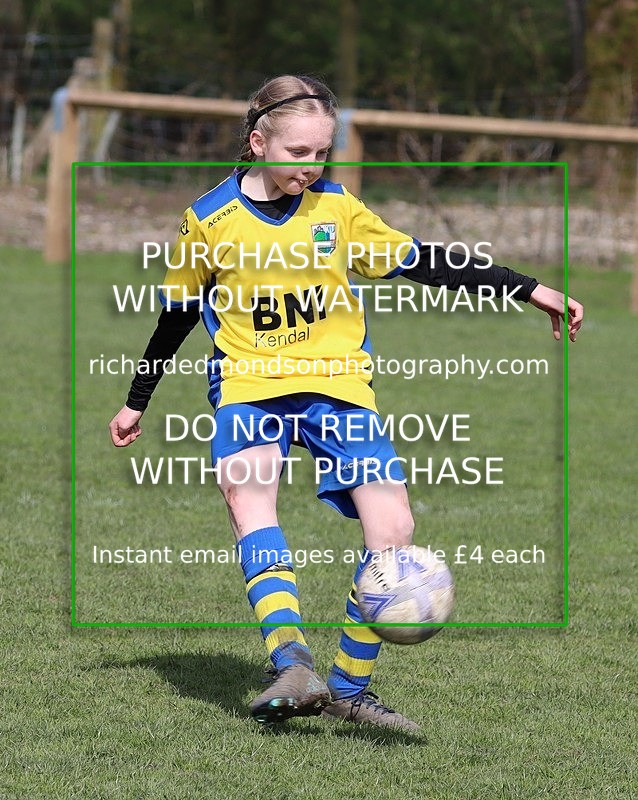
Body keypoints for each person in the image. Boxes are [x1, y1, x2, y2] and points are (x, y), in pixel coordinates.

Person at [109, 74, 584, 732]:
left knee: (394, 532)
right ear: (258, 141)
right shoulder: (209, 220)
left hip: (336, 385)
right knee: (249, 498)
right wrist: (138, 401)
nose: (312, 166)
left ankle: (349, 690)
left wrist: (527, 289)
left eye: (322, 153)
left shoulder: (337, 211)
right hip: (249, 383)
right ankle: (290, 659)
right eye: (299, 152)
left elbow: (426, 261)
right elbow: (175, 318)